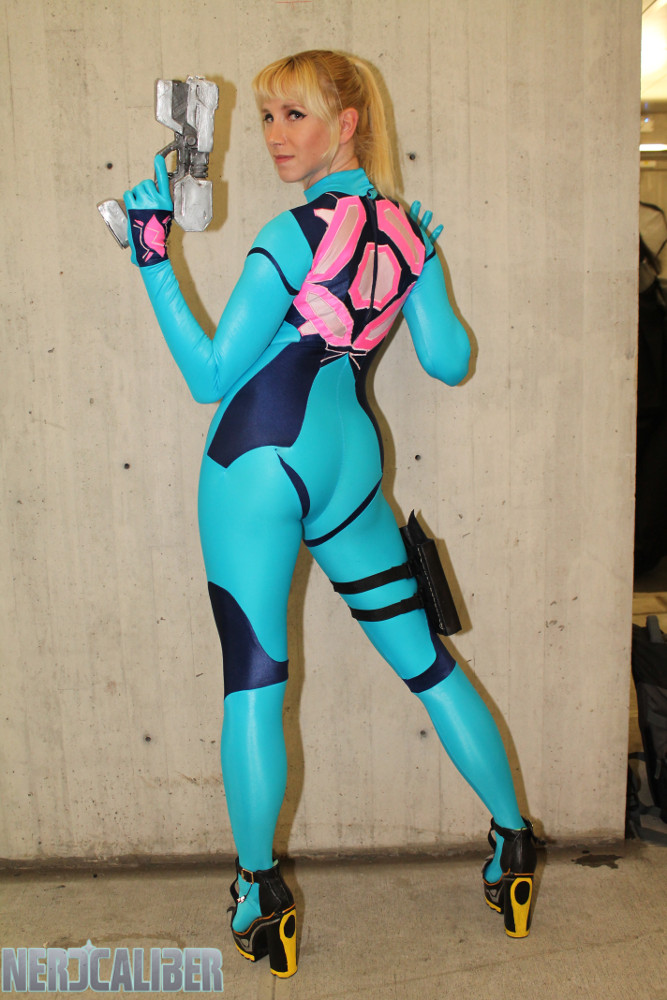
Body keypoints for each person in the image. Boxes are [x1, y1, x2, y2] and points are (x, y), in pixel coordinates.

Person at [123, 49, 539, 979]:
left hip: (257, 460)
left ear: (346, 124)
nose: (275, 135)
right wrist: (423, 264)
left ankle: (258, 894)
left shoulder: (289, 234)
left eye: (295, 115)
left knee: (254, 681)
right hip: (350, 466)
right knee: (427, 662)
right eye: (267, 116)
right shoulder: (406, 235)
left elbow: (209, 375)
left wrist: (152, 255)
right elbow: (449, 361)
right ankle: (512, 846)